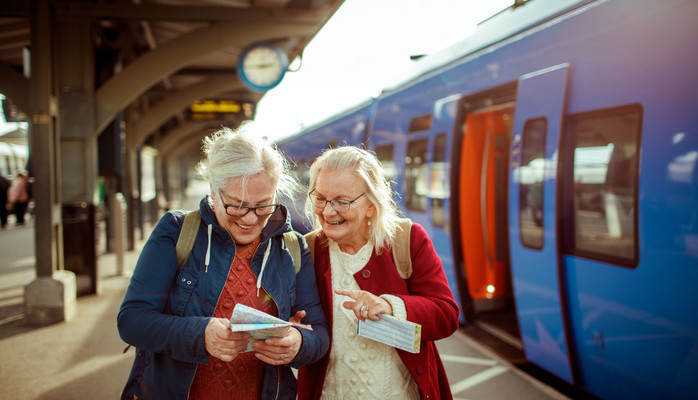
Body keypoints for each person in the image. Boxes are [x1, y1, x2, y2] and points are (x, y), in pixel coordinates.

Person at [117, 125, 329, 400]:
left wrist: (299, 343)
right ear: (213, 192)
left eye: (263, 205)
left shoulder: (292, 248)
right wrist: (200, 334)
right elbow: (132, 320)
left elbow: (320, 334)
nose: (250, 218)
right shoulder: (177, 232)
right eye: (237, 205)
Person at [297, 146, 460, 400]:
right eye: (320, 198)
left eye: (341, 201)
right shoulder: (307, 250)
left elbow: (446, 314)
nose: (327, 212)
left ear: (372, 205)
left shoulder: (407, 240)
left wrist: (390, 306)